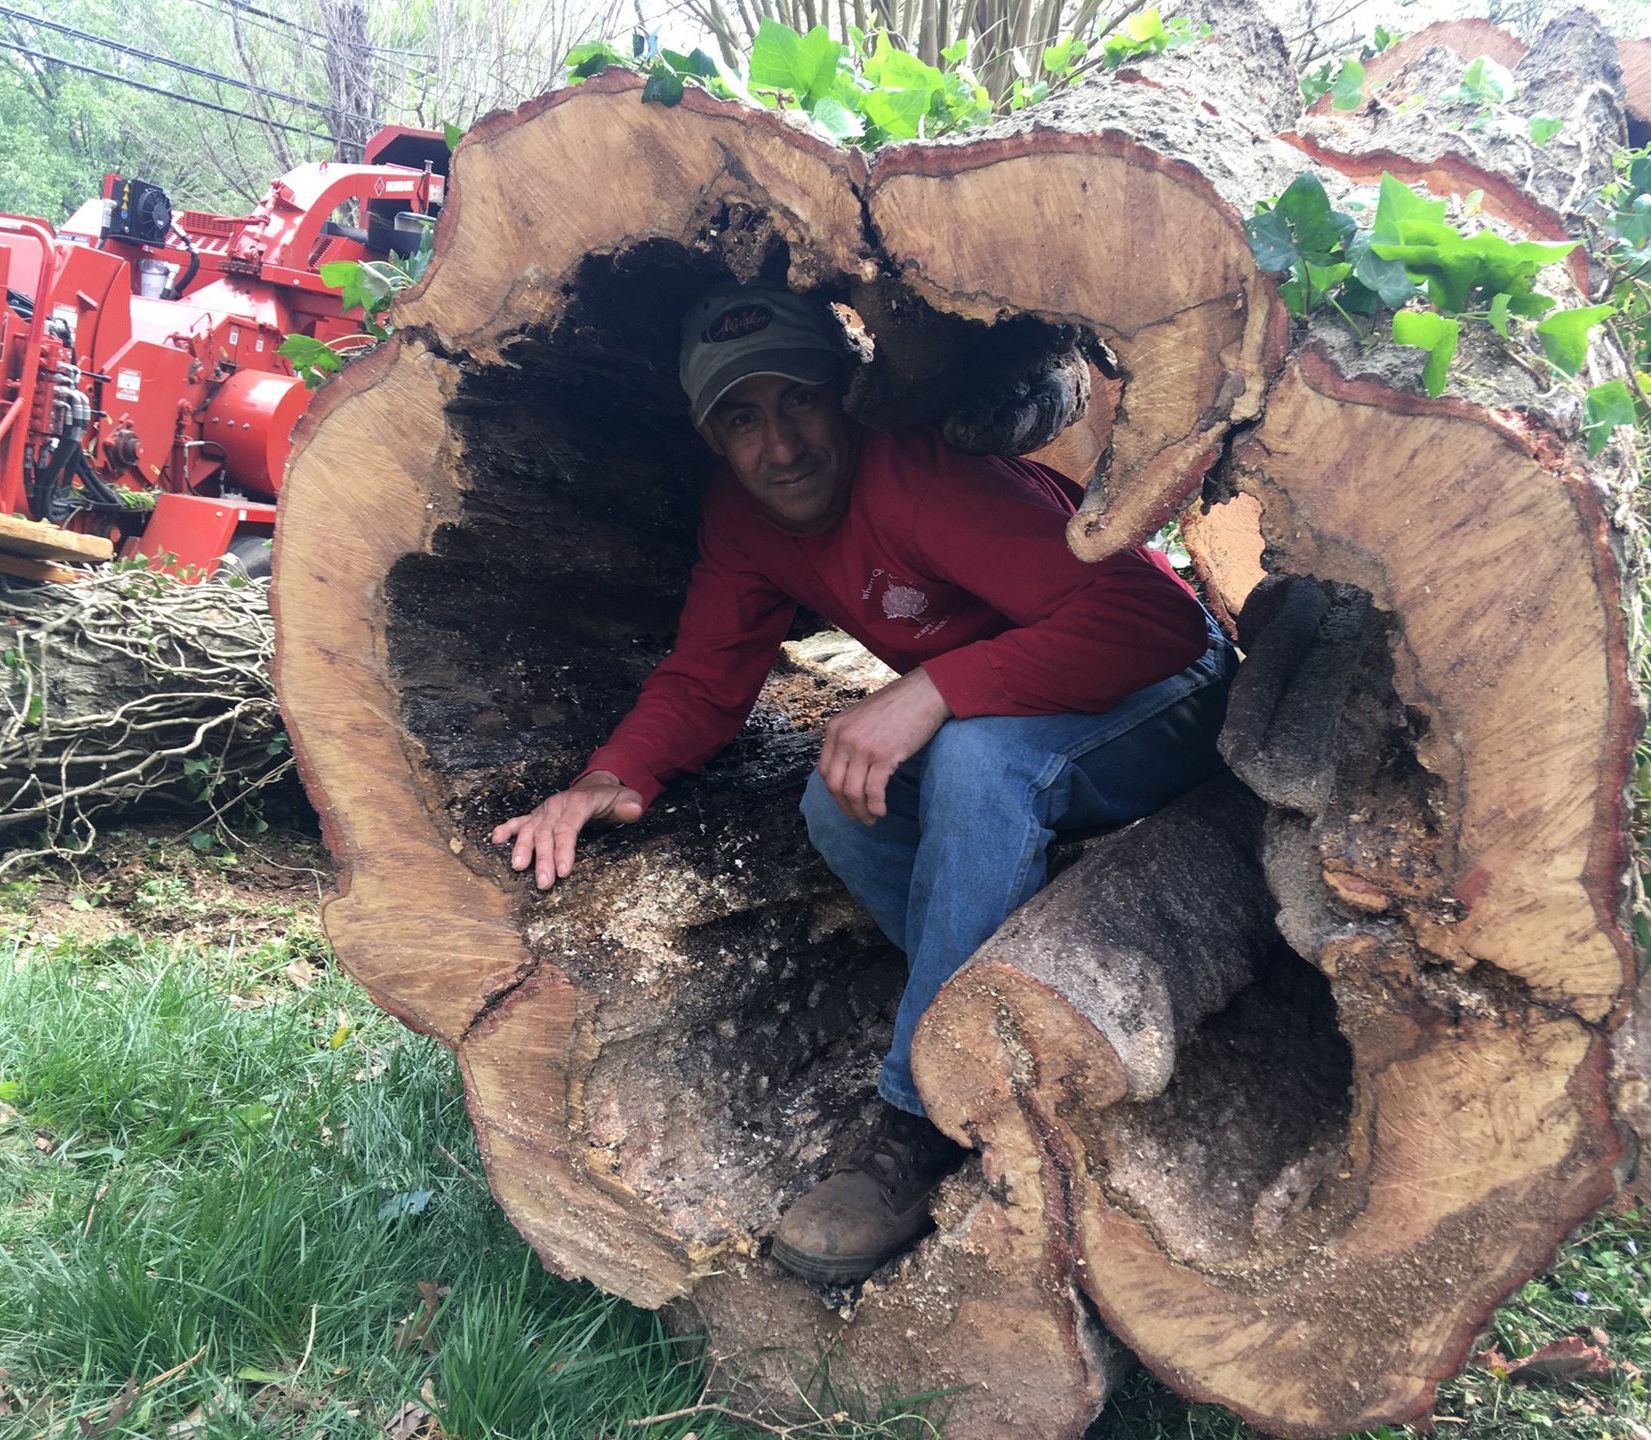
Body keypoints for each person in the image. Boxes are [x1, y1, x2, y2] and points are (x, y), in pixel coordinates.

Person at [491, 282, 1236, 1285]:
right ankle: (994, 1004)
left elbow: (1160, 626)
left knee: (977, 761)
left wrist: (933, 690)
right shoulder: (747, 515)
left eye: (797, 400)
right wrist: (609, 776)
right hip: (1027, 714)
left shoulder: (924, 479)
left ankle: (924, 1117)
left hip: (1164, 699)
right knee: (837, 811)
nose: (781, 445)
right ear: (711, 437)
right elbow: (708, 672)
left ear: (845, 393)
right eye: (741, 418)